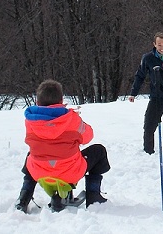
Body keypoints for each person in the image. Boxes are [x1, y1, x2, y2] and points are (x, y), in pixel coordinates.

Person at [15, 79, 111, 212]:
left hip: (39, 171)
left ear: (37, 102)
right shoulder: (71, 119)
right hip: (70, 172)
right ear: (61, 101)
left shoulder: (30, 121)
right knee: (99, 151)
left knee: (31, 155)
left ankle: (23, 197)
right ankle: (93, 194)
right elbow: (88, 136)